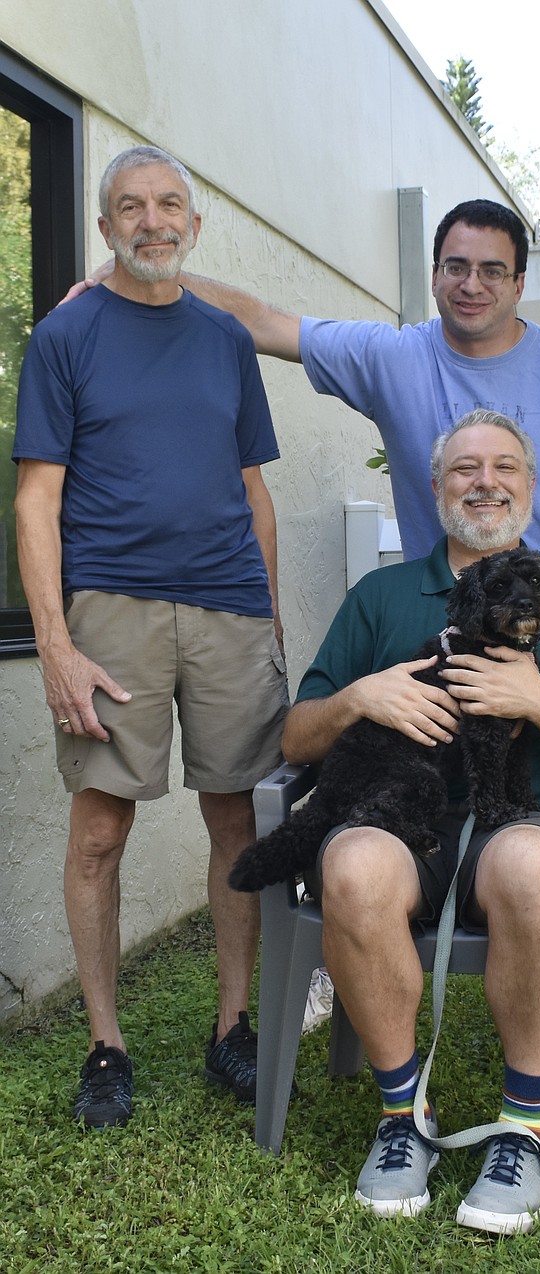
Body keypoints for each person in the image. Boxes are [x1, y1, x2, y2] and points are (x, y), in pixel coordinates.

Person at [68, 200, 540, 1047]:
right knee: (429, 768)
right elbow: (266, 321)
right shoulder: (392, 359)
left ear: (523, 283)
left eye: (494, 270)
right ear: (436, 272)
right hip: (455, 602)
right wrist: (138, 276)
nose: (473, 284)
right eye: (457, 266)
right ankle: (350, 939)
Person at [280, 409, 540, 1234]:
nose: (485, 482)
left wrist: (539, 699)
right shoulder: (382, 595)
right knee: (353, 867)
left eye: (504, 466)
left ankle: (522, 1130)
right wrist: (361, 696)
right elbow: (296, 736)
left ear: (530, 487)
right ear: (436, 488)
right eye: (465, 469)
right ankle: (405, 1118)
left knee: (530, 868)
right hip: (398, 823)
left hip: (518, 825)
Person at [13, 146, 289, 1129]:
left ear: (193, 225)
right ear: (105, 228)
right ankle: (106, 1043)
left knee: (236, 823)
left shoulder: (223, 340)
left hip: (228, 610)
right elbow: (36, 498)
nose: (152, 219)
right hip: (112, 613)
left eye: (170, 203)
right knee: (100, 828)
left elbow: (253, 490)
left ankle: (232, 1024)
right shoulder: (67, 336)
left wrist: (270, 618)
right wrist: (53, 640)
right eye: (130, 206)